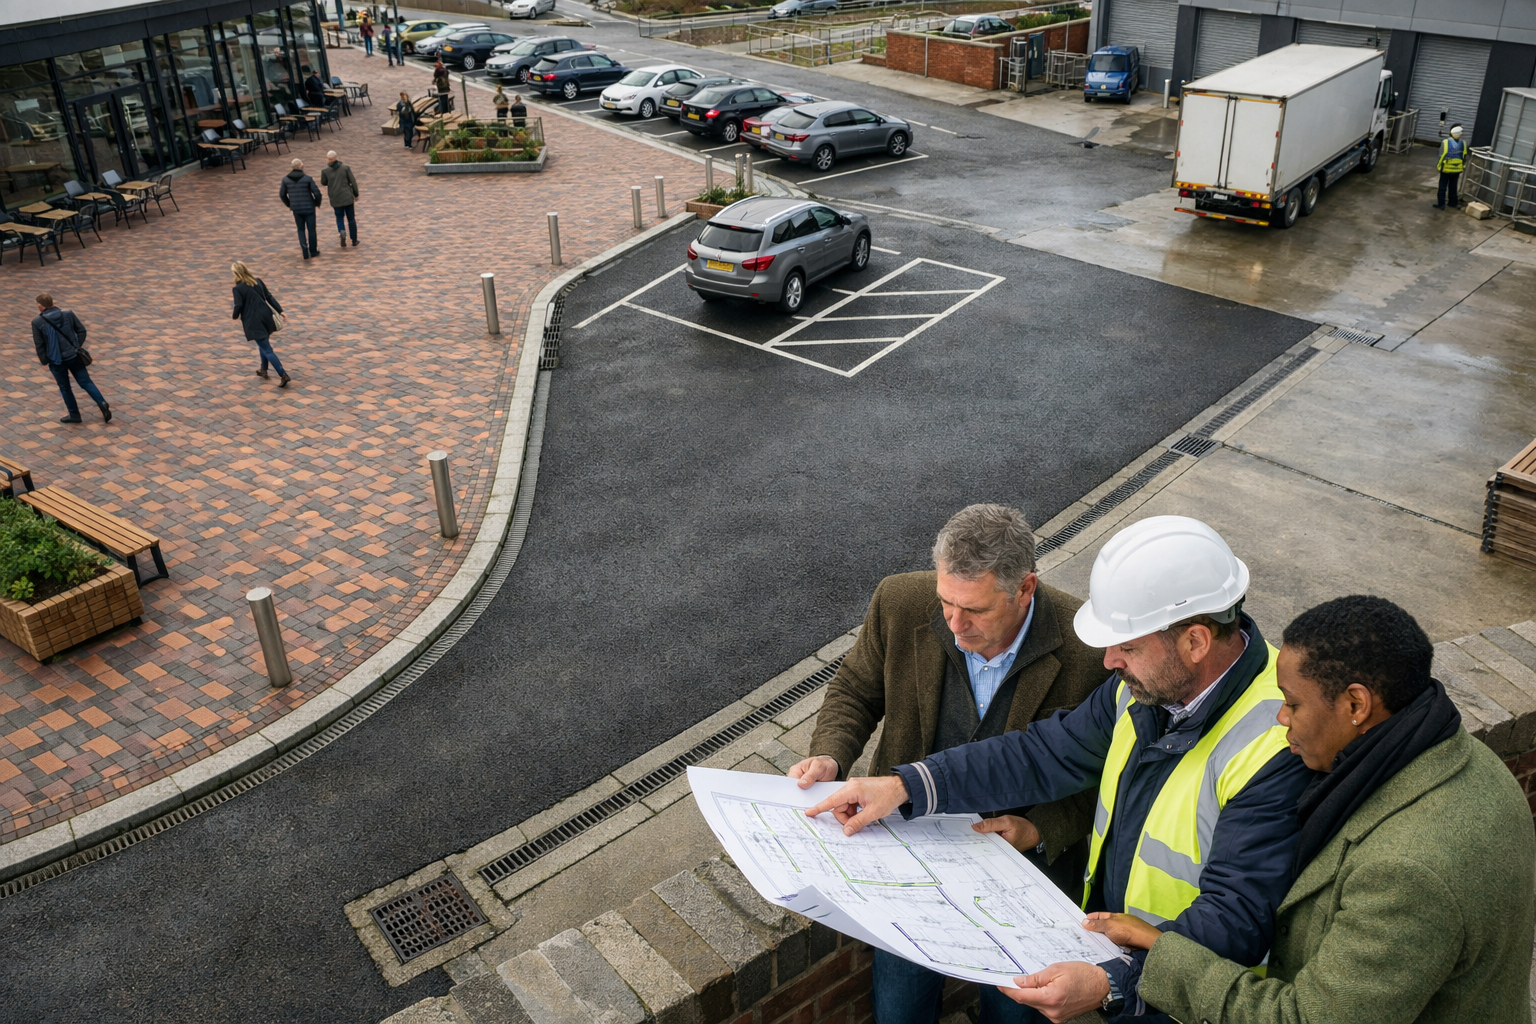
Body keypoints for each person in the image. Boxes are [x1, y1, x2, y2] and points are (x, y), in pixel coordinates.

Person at [805, 516, 1315, 1024]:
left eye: (1129, 646)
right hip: (1131, 971)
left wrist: (1115, 982)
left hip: (1188, 998)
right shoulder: (1141, 690)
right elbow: (1037, 754)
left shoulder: (1278, 746)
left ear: (1196, 642)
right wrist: (905, 785)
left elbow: (1237, 920)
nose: (1109, 659)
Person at [1089, 595, 1536, 1024]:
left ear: (1356, 705)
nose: (1281, 718)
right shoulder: (1462, 759)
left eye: (1293, 703)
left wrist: (1163, 955)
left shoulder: (1409, 870)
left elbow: (1307, 1017)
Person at [791, 504, 1108, 1024]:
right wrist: (830, 752)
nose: (955, 624)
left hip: (1023, 875)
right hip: (908, 852)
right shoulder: (899, 600)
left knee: (1014, 1017)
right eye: (945, 603)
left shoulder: (1088, 650)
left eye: (976, 611)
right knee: (899, 1009)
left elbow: (1103, 774)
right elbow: (855, 687)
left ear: (1025, 588)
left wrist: (1041, 828)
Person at [31, 293, 110, 424]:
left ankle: (74, 415)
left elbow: (39, 344)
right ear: (52, 302)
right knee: (86, 382)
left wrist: (44, 360)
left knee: (65, 388)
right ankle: (102, 402)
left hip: (56, 361)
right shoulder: (68, 314)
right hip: (74, 356)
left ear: (40, 306)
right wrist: (75, 346)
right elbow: (81, 331)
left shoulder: (38, 322)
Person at [230, 262, 291, 388]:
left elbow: (238, 306)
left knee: (267, 348)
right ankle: (263, 370)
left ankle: (283, 374)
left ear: (236, 274)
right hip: (266, 317)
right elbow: (269, 297)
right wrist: (280, 311)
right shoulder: (257, 281)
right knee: (262, 344)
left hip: (253, 321)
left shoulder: (237, 288)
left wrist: (235, 316)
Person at [279, 158, 322, 260]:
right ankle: (313, 251)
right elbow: (317, 193)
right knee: (311, 229)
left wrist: (289, 204)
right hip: (309, 207)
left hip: (296, 208)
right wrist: (317, 203)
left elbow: (282, 194)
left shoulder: (285, 180)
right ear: (301, 166)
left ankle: (304, 248)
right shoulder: (307, 179)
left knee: (300, 229)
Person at [320, 150, 359, 248]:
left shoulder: (325, 171)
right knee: (351, 219)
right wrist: (356, 194)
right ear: (336, 158)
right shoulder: (345, 168)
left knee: (339, 217)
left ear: (328, 159)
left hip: (335, 198)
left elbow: (323, 182)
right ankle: (354, 240)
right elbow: (352, 181)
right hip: (347, 197)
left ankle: (341, 230)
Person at [1435, 124, 1467, 210]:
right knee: (1453, 186)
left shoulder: (1445, 142)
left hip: (1445, 168)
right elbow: (1464, 156)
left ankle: (1441, 204)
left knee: (1442, 187)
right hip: (1457, 169)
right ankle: (1453, 203)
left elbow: (1441, 155)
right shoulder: (1463, 143)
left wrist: (1439, 166)